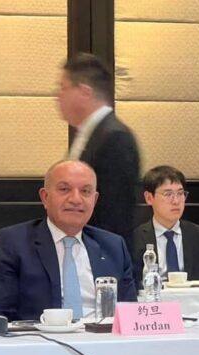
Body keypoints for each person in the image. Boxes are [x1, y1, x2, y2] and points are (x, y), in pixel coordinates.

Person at [0, 160, 136, 322]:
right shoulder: (14, 242)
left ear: (95, 200)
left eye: (85, 191)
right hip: (40, 336)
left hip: (102, 336)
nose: (76, 199)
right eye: (64, 189)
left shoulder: (113, 246)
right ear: (45, 197)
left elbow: (131, 316)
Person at [57, 53, 140, 242]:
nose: (58, 96)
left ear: (85, 92)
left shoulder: (115, 138)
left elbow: (112, 215)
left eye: (63, 88)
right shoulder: (89, 134)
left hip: (100, 252)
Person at [131, 165, 199, 287]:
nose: (176, 201)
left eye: (180, 193)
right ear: (149, 198)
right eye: (168, 194)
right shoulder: (134, 239)